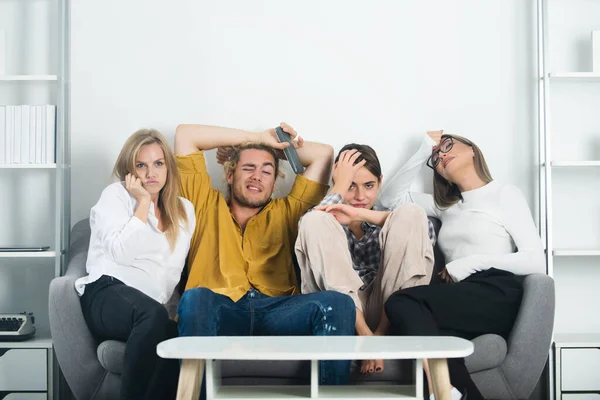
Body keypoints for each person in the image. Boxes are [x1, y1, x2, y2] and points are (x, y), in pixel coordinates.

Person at [174, 122, 356, 385]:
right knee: (194, 299)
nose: (257, 176)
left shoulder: (289, 211)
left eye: (267, 171)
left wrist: (276, 148)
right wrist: (256, 139)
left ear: (273, 184)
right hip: (221, 308)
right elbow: (185, 135)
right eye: (248, 168)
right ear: (229, 175)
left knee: (338, 304)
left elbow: (323, 154)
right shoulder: (202, 202)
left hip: (276, 312)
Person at [379, 130, 545, 400]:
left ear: (471, 149)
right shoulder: (446, 206)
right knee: (421, 334)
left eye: (447, 145)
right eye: (436, 157)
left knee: (400, 302)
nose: (441, 154)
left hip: (495, 293)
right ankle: (457, 393)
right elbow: (388, 201)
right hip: (459, 299)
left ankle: (439, 389)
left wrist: (470, 263)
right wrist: (424, 148)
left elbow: (536, 259)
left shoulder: (504, 193)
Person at [75, 129, 196, 400]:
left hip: (151, 306)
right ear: (130, 170)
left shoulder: (184, 210)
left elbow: (170, 273)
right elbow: (121, 253)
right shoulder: (116, 196)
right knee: (152, 316)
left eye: (158, 163)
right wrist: (142, 203)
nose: (150, 173)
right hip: (105, 294)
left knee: (176, 334)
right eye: (141, 165)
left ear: (168, 167)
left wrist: (176, 311)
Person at [294, 144, 436, 375]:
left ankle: (378, 336)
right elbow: (308, 226)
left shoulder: (390, 218)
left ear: (380, 182)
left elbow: (425, 231)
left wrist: (359, 214)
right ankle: (365, 336)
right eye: (351, 186)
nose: (360, 196)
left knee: (413, 213)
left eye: (369, 186)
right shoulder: (325, 220)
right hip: (343, 311)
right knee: (314, 221)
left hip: (390, 309)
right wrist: (339, 186)